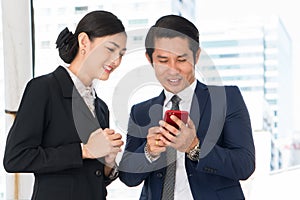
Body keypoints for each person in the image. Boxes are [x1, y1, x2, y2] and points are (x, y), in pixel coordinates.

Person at [118, 14, 255, 200]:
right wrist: (148, 152)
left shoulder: (226, 99)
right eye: (163, 60)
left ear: (196, 56)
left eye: (182, 60)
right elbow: (128, 177)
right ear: (150, 59)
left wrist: (194, 147)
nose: (173, 69)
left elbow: (244, 165)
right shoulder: (140, 112)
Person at [3, 10, 127, 200]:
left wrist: (108, 162)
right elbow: (15, 158)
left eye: (121, 54)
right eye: (110, 49)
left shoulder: (101, 107)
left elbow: (93, 177)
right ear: (84, 42)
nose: (116, 61)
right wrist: (83, 150)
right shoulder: (44, 89)